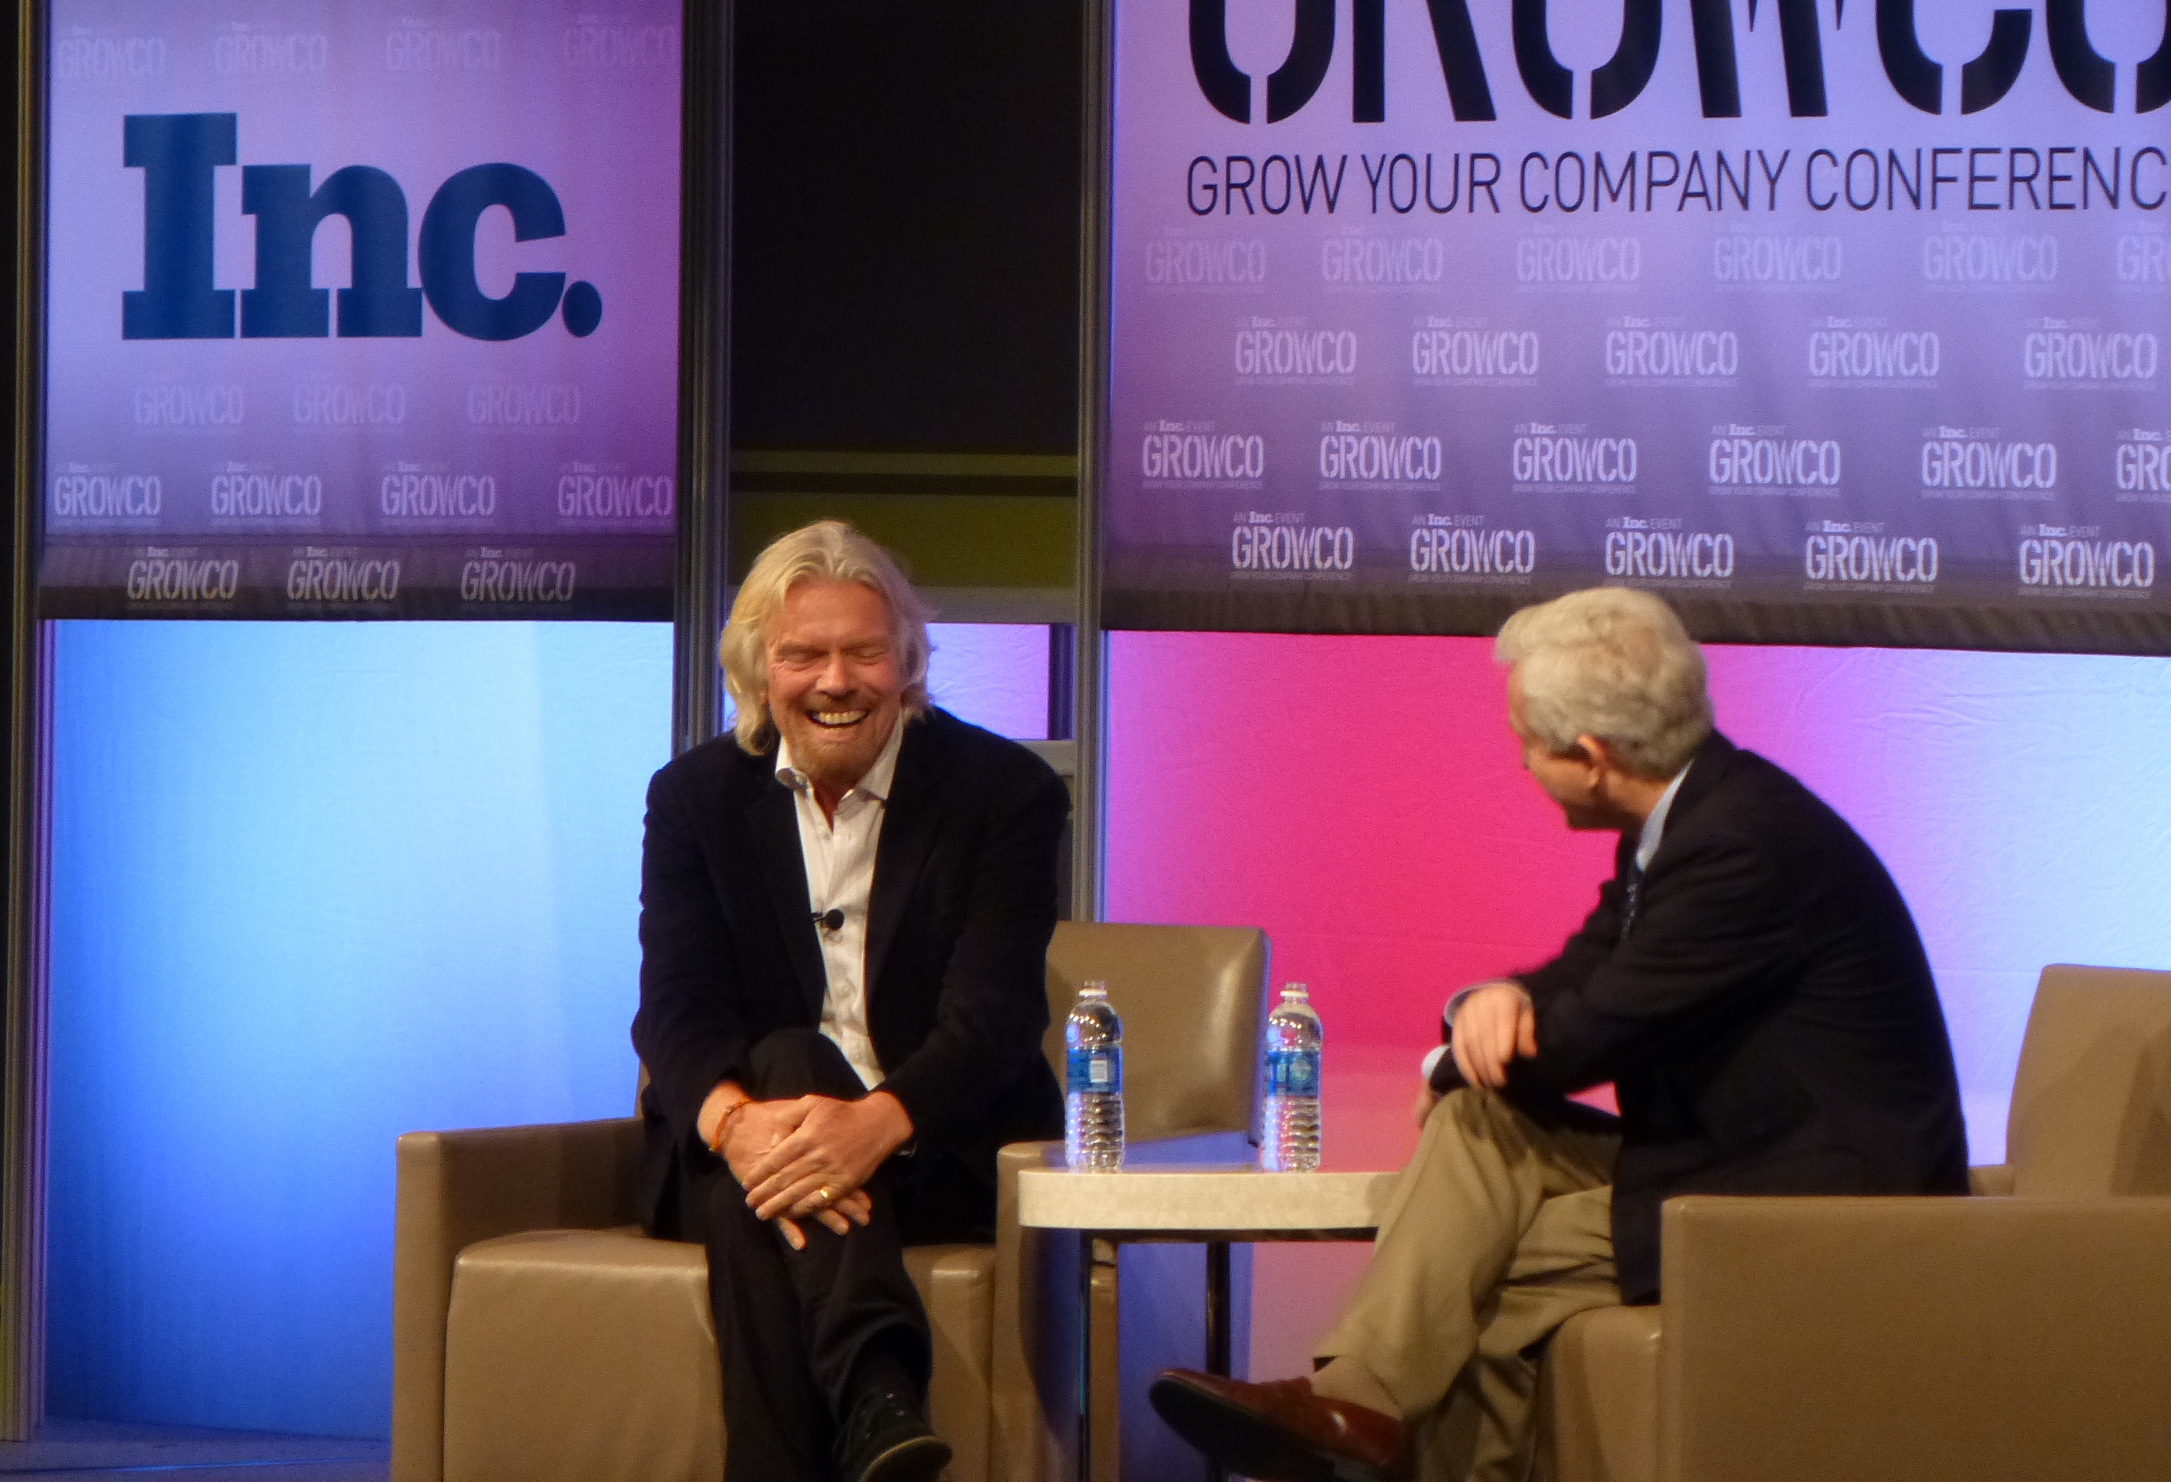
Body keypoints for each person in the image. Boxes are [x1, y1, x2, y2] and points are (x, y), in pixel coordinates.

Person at [1150, 586, 1967, 1482]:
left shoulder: (1740, 850)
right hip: (1723, 1151)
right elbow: (1581, 974)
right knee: (1479, 1128)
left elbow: (1590, 1037)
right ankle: (1354, 1406)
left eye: (1525, 743)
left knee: (1483, 1271)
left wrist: (1458, 1058)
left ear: (1590, 756)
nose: (1519, 763)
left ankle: (1359, 1409)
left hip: (1811, 1197)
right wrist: (1488, 1003)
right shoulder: (1689, 818)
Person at [632, 520, 1067, 1482]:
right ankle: (877, 1392)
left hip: (934, 1151)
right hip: (742, 1139)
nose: (836, 682)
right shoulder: (696, 798)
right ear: (760, 672)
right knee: (785, 1072)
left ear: (906, 667)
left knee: (760, 1200)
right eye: (804, 656)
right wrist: (737, 1127)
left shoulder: (1004, 794)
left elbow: (994, 1020)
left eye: (864, 653)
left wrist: (872, 1125)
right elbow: (675, 1007)